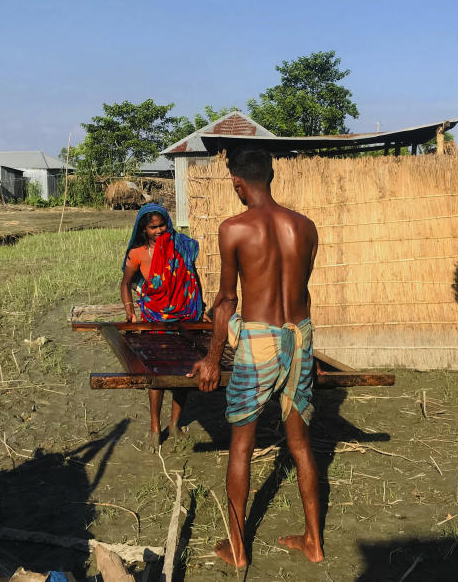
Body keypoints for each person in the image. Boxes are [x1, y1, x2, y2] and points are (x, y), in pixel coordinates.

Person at [187, 144, 323, 567]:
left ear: (238, 183)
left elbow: (226, 301)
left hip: (260, 341)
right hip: (300, 336)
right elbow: (304, 294)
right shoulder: (306, 227)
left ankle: (238, 549)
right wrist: (309, 352)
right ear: (272, 177)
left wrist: (212, 359)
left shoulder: (235, 228)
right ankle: (315, 543)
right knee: (300, 445)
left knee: (242, 447)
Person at [120, 203, 204, 451]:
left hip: (184, 316)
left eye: (162, 225)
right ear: (143, 229)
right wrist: (129, 312)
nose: (159, 230)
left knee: (184, 372)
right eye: (153, 227)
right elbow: (125, 284)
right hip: (153, 319)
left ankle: (175, 423)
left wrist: (199, 307)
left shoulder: (181, 247)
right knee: (156, 375)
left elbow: (191, 278)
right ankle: (156, 428)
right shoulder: (137, 254)